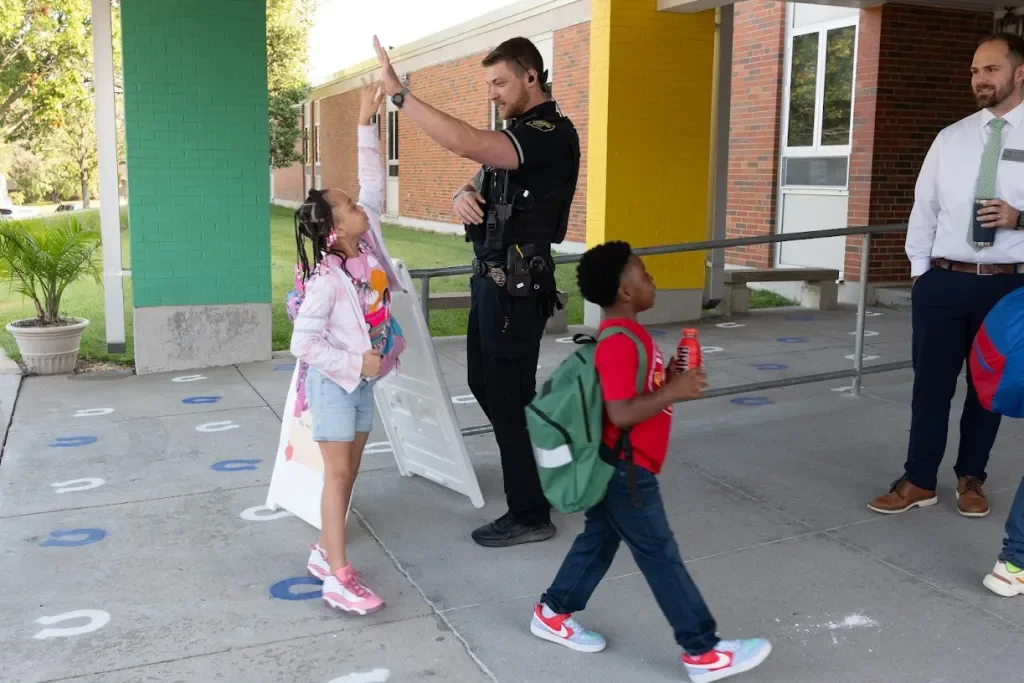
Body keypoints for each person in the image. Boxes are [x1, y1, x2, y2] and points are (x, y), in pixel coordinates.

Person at [528, 241, 771, 683]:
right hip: (626, 470)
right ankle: (702, 650)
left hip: (620, 466)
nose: (652, 281)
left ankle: (552, 611)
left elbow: (639, 395)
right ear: (624, 291)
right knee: (660, 555)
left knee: (599, 541)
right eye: (645, 275)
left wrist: (671, 379)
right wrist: (673, 392)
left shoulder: (632, 336)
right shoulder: (619, 342)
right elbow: (621, 412)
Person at [373, 35, 581, 547]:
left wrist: (401, 96)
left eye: (499, 82)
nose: (492, 93)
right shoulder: (517, 136)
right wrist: (464, 192)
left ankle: (530, 512)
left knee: (507, 395)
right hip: (494, 283)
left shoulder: (549, 131)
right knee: (489, 386)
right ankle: (543, 476)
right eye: (488, 84)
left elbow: (467, 142)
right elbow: (481, 172)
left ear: (531, 77)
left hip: (517, 287)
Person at [869, 33, 1024, 518]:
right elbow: (924, 210)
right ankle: (918, 479)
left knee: (988, 389)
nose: (980, 79)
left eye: (991, 69)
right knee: (930, 387)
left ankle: (971, 478)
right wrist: (921, 275)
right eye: (976, 70)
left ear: (1019, 74)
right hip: (944, 281)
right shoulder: (950, 138)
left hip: (1008, 285)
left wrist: (1020, 219)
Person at [290, 79, 407, 615]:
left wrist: (365, 117)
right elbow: (302, 342)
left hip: (361, 383)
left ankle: (322, 550)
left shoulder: (369, 249)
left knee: (350, 472)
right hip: (335, 381)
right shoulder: (326, 280)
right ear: (335, 231)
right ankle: (337, 575)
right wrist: (353, 361)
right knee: (338, 474)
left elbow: (372, 182)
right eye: (350, 206)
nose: (362, 205)